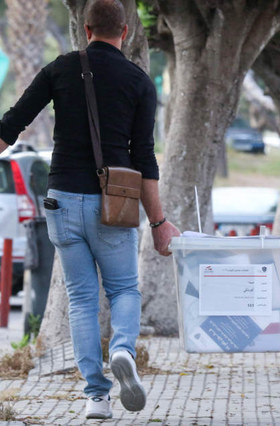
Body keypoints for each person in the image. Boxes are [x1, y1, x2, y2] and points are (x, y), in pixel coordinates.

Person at [0, 0, 180, 419]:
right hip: (113, 204)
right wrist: (158, 222)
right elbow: (145, 159)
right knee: (123, 290)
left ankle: (96, 398)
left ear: (85, 30)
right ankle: (122, 350)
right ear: (126, 32)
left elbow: (11, 124)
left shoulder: (58, 69)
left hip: (62, 199)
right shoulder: (139, 81)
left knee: (82, 299)